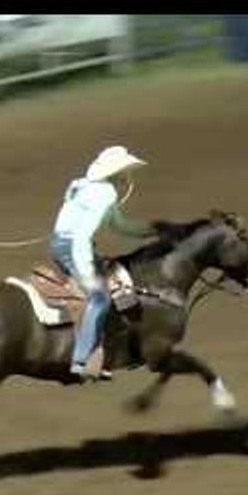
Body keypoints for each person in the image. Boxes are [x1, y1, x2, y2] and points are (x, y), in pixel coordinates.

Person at [50, 145, 158, 381]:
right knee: (99, 299)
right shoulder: (104, 193)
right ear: (115, 172)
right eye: (124, 170)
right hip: (73, 248)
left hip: (60, 244)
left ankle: (123, 347)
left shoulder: (83, 185)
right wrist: (87, 272)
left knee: (118, 277)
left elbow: (119, 225)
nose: (127, 175)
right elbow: (81, 236)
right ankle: (81, 360)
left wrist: (154, 230)